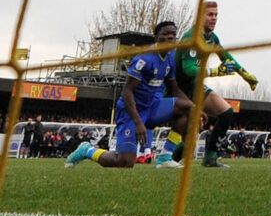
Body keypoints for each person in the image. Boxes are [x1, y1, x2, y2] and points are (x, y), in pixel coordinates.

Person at [65, 22, 193, 169]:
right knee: (124, 162)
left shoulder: (171, 57)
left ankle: (165, 157)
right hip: (131, 112)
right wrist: (138, 122)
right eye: (165, 34)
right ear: (157, 37)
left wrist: (194, 107)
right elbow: (127, 91)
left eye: (173, 34)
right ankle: (87, 150)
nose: (170, 37)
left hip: (152, 107)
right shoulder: (145, 59)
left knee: (188, 108)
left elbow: (174, 88)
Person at [173, 1, 258, 168]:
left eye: (216, 15)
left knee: (226, 112)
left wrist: (245, 74)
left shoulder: (211, 38)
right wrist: (216, 72)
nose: (214, 18)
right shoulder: (192, 38)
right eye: (210, 14)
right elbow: (189, 69)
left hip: (195, 86)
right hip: (179, 89)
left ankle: (210, 158)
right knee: (194, 129)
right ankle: (171, 160)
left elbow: (226, 57)